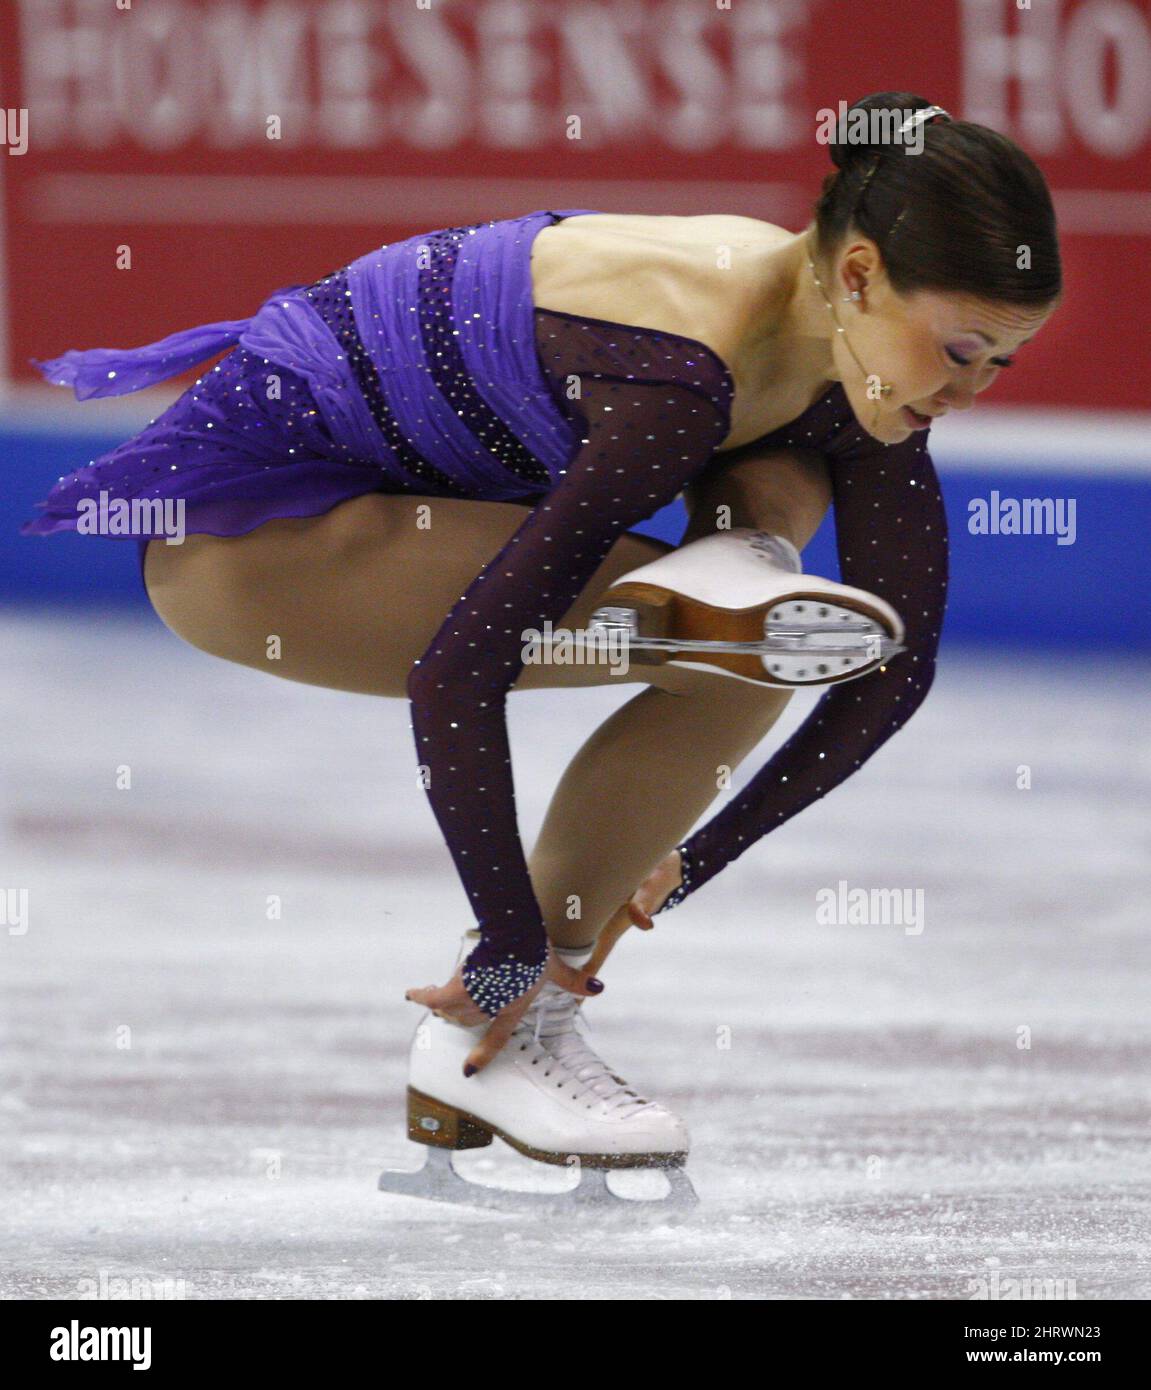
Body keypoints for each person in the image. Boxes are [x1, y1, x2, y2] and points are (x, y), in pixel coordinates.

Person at [24, 94, 1060, 1201]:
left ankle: (734, 561)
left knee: (755, 622)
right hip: (254, 548)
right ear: (858, 276)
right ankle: (495, 1038)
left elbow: (892, 670)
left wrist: (687, 863)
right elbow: (456, 675)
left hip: (420, 495)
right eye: (959, 349)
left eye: (999, 362)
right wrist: (510, 946)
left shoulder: (850, 351)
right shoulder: (679, 366)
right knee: (732, 640)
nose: (967, 392)